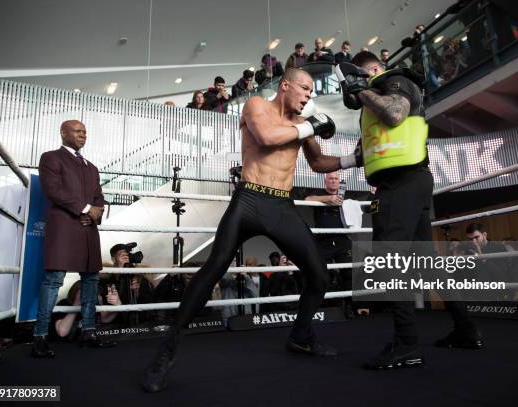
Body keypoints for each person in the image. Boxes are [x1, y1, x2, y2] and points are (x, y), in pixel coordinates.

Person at [142, 67, 358, 392]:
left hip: (282, 206)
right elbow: (267, 137)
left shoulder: (303, 126)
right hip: (249, 201)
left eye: (312, 94)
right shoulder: (257, 105)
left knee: (320, 275)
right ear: (285, 85)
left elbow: (317, 164)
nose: (308, 97)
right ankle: (167, 348)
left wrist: (354, 159)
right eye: (305, 89)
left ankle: (300, 337)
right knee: (213, 267)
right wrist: (311, 124)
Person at [335, 52, 482, 370]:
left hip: (402, 182)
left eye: (360, 76)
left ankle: (406, 344)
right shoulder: (370, 106)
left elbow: (396, 114)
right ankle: (466, 329)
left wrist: (360, 87)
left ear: (373, 70)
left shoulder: (396, 83)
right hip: (396, 186)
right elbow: (360, 155)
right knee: (427, 264)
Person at [31, 120, 115, 358]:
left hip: (88, 229)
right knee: (54, 280)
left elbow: (99, 198)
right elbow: (53, 190)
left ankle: (89, 332)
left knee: (91, 280)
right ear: (63, 133)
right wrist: (87, 209)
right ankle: (39, 337)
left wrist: (95, 214)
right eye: (78, 131)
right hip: (64, 227)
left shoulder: (92, 167)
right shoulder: (50, 157)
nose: (83, 134)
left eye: (85, 131)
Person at [305, 171, 355, 318]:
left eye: (336, 179)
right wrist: (329, 198)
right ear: (325, 181)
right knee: (320, 274)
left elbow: (361, 210)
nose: (333, 181)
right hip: (323, 241)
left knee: (349, 273)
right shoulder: (319, 193)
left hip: (342, 240)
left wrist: (373, 196)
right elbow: (307, 199)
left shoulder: (345, 196)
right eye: (330, 179)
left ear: (339, 181)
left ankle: (349, 306)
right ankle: (319, 307)